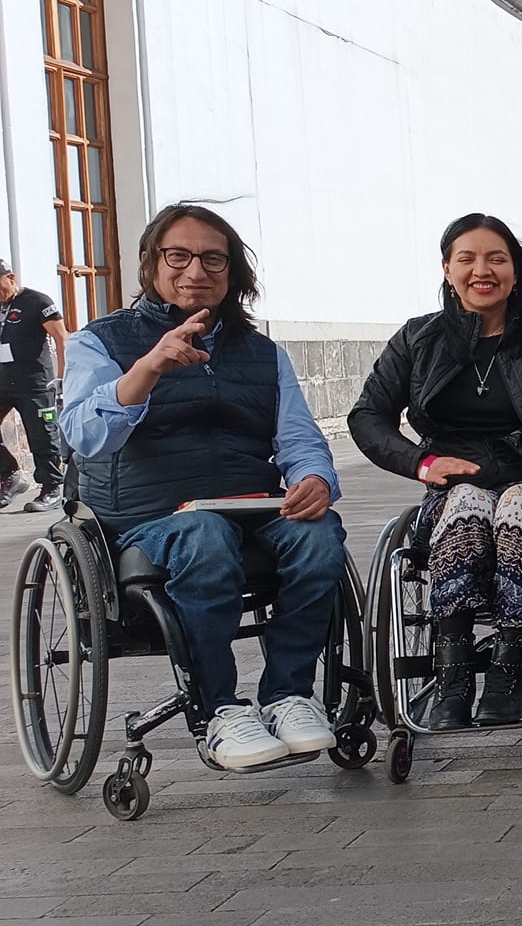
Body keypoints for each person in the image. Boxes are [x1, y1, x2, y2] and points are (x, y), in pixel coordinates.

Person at [58, 204, 347, 771]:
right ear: (151, 263)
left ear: (233, 271)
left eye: (214, 257)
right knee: (203, 536)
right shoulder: (100, 342)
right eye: (179, 255)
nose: (197, 270)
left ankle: (289, 694)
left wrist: (315, 478)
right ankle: (218, 709)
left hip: (249, 504)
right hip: (149, 514)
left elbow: (298, 437)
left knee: (319, 535)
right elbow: (83, 436)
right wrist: (148, 369)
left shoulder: (263, 354)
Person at [350, 215, 522, 730]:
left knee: (518, 503)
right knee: (468, 502)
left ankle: (508, 670)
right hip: (455, 486)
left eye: (496, 258)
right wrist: (422, 462)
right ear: (447, 269)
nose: (483, 270)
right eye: (468, 259)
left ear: (515, 272)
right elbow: (366, 418)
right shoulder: (417, 340)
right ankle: (453, 674)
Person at [0, 259, 66, 512]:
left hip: (35, 382)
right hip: (4, 379)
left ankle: (51, 488)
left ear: (11, 278)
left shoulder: (37, 302)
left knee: (42, 435)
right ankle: (10, 474)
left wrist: (62, 378)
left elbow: (62, 338)